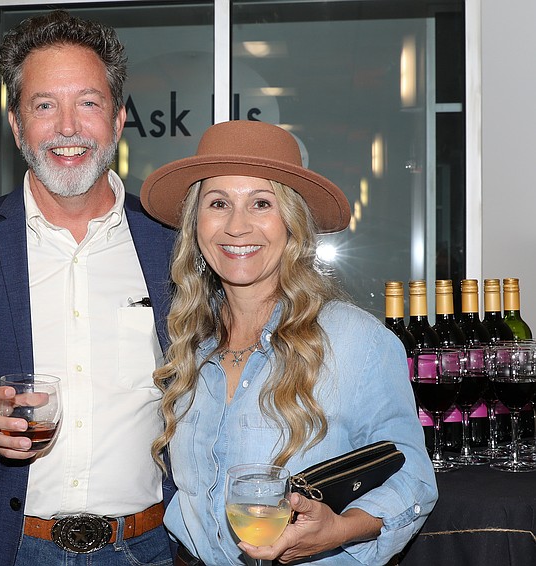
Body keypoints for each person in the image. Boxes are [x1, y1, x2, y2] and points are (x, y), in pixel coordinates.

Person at [0, 10, 176, 566]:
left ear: (117, 121)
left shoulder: (171, 244)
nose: (67, 127)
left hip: (151, 547)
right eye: (45, 105)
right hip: (12, 550)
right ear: (17, 127)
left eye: (88, 103)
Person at [139, 120, 437, 565]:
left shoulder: (353, 340)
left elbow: (414, 475)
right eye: (218, 203)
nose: (237, 227)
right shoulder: (187, 344)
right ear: (195, 224)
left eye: (261, 203)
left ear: (292, 222)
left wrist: (338, 528)